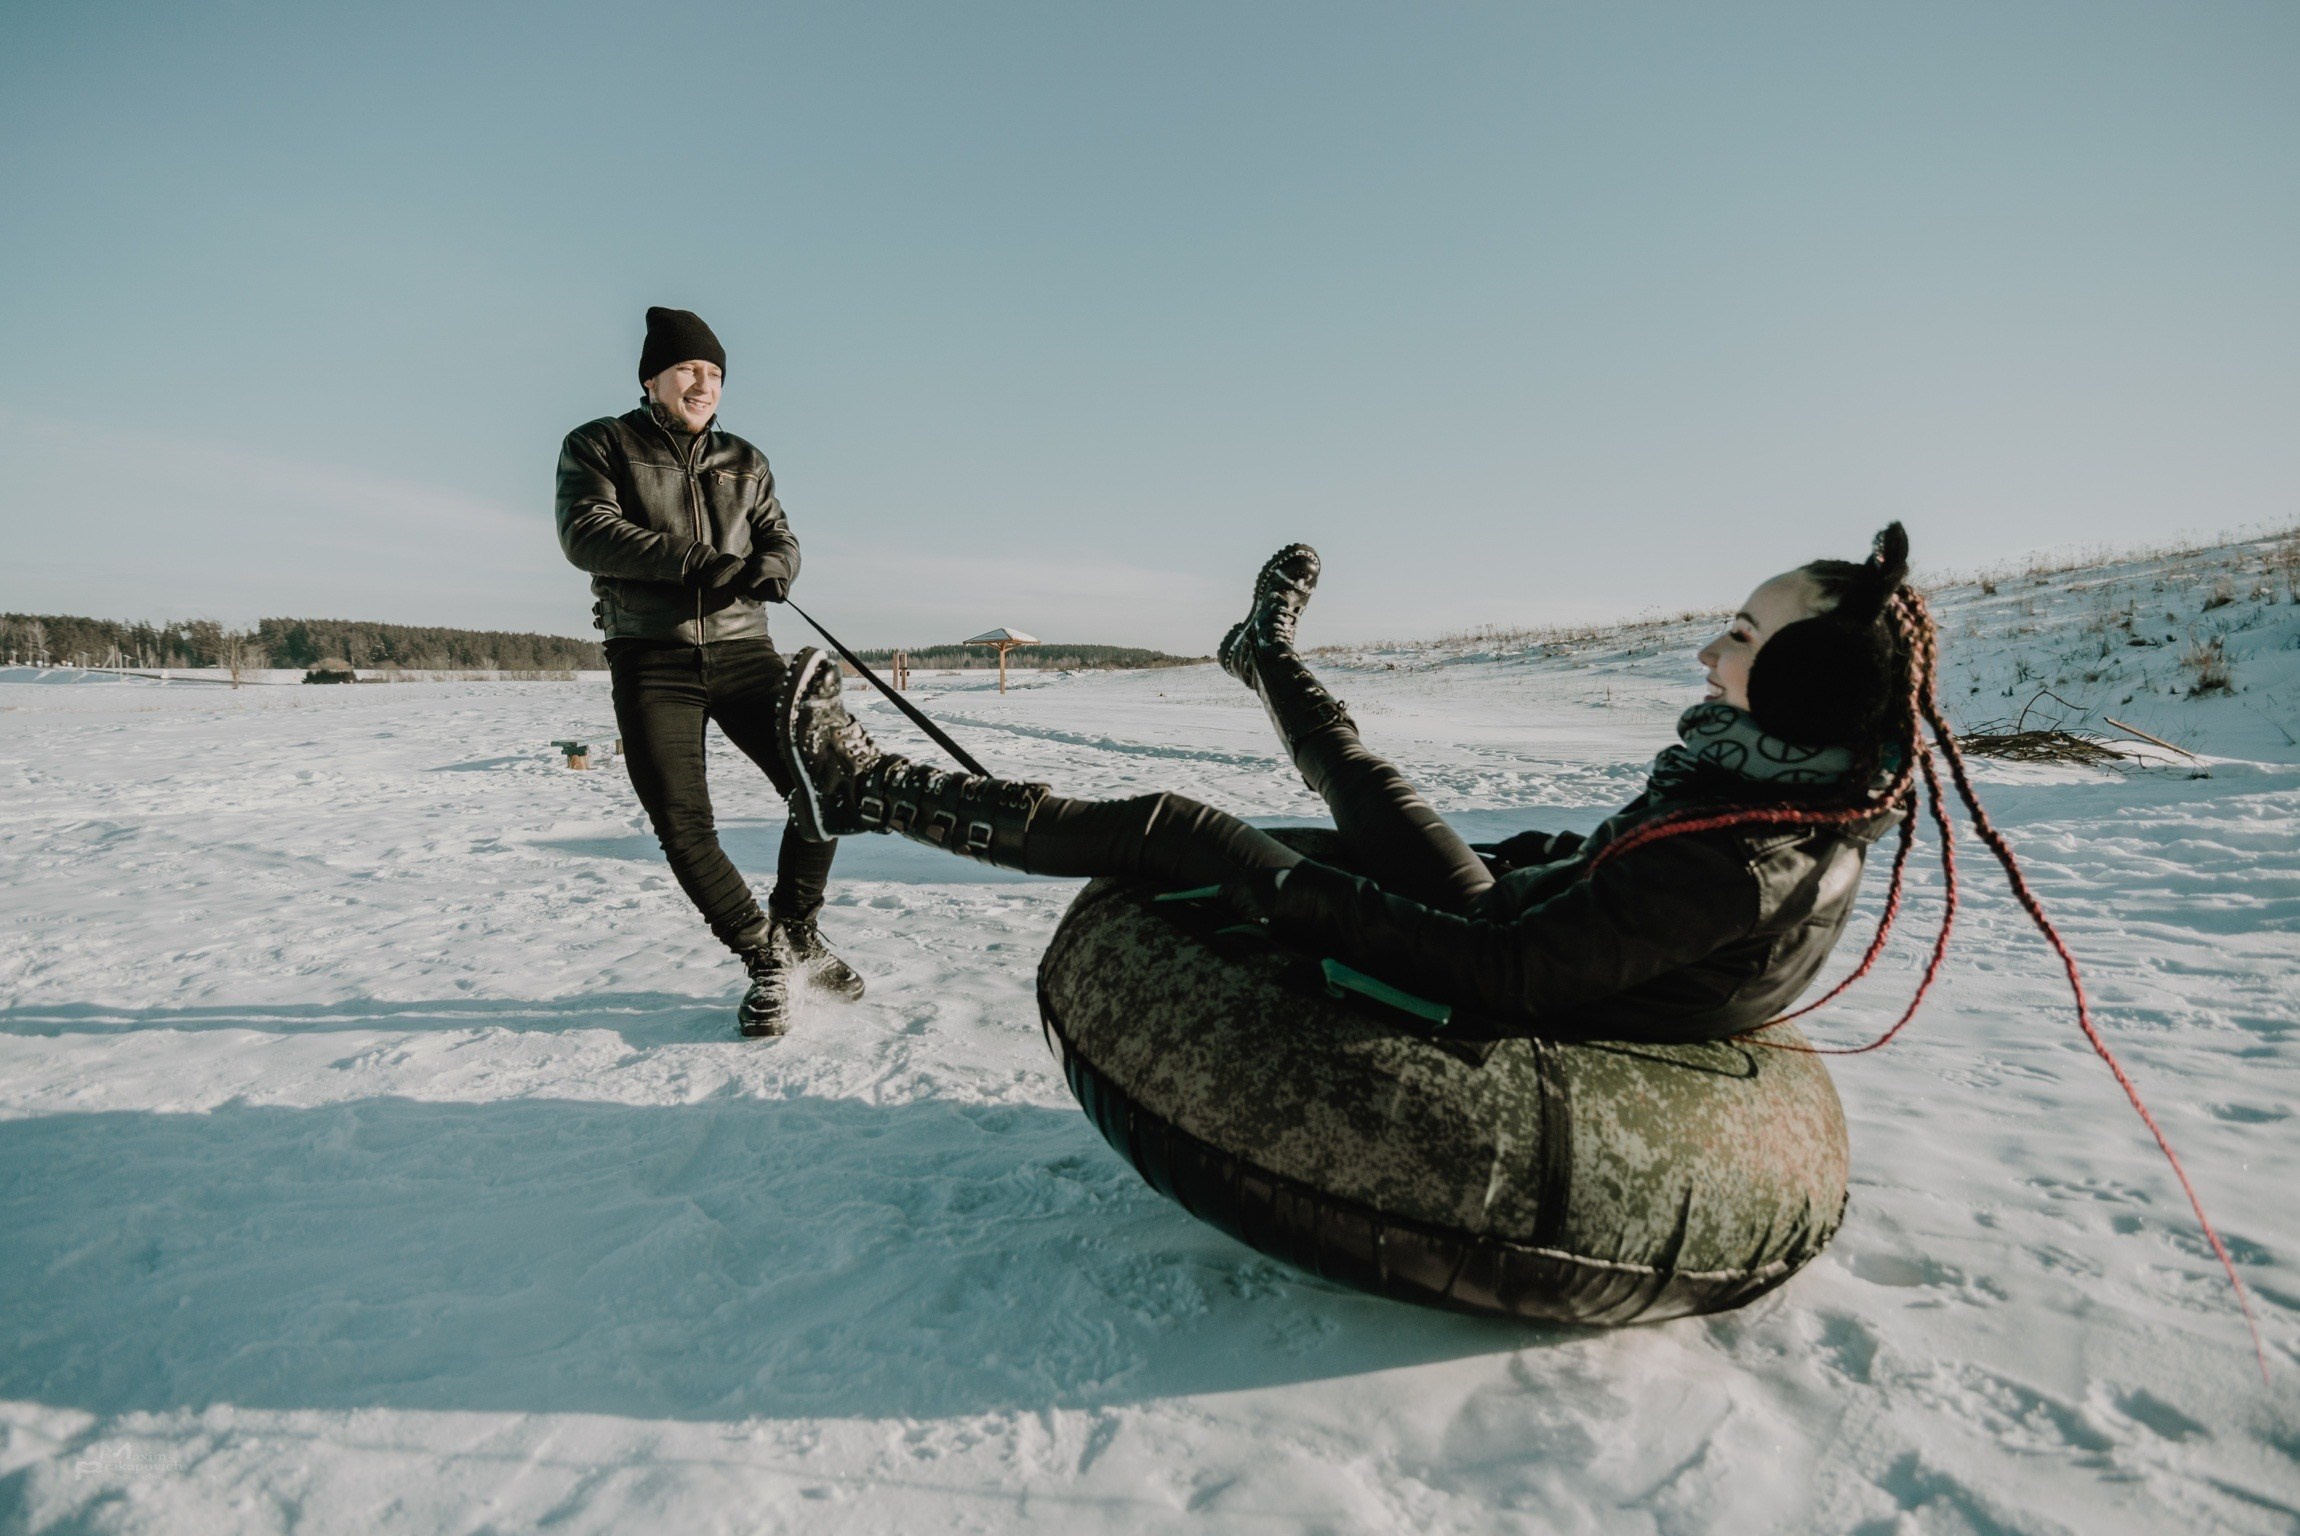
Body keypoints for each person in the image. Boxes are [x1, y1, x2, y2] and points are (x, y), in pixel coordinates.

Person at [762, 528, 1919, 1042]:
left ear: (1807, 682)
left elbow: (1512, 974)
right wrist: (1520, 858)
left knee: (1183, 831)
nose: (1708, 654)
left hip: (1481, 965)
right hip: (1502, 910)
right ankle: (1263, 652)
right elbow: (1607, 890)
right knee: (1359, 779)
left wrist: (1298, 899)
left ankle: (861, 787)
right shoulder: (1763, 800)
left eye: (1739, 635)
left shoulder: (1745, 859)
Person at [555, 306, 862, 1038]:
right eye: (689, 369)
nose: (704, 384)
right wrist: (697, 560)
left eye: (716, 373)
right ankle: (762, 958)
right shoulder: (600, 443)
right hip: (650, 656)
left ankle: (796, 928)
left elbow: (780, 536)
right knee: (681, 821)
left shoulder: (745, 462)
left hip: (742, 649)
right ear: (651, 378)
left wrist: (776, 570)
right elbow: (586, 531)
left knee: (825, 781)